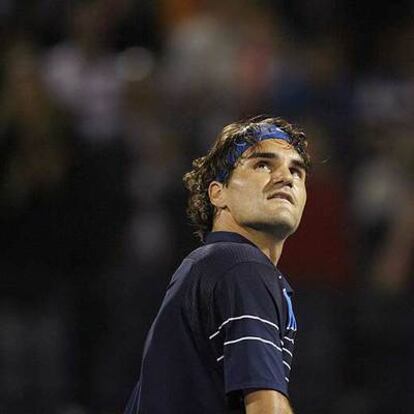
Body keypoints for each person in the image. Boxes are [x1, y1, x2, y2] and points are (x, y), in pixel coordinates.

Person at [124, 116, 310, 414]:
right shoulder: (241, 265)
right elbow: (266, 409)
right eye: (263, 164)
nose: (285, 177)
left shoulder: (213, 265)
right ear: (218, 193)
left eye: (296, 171)